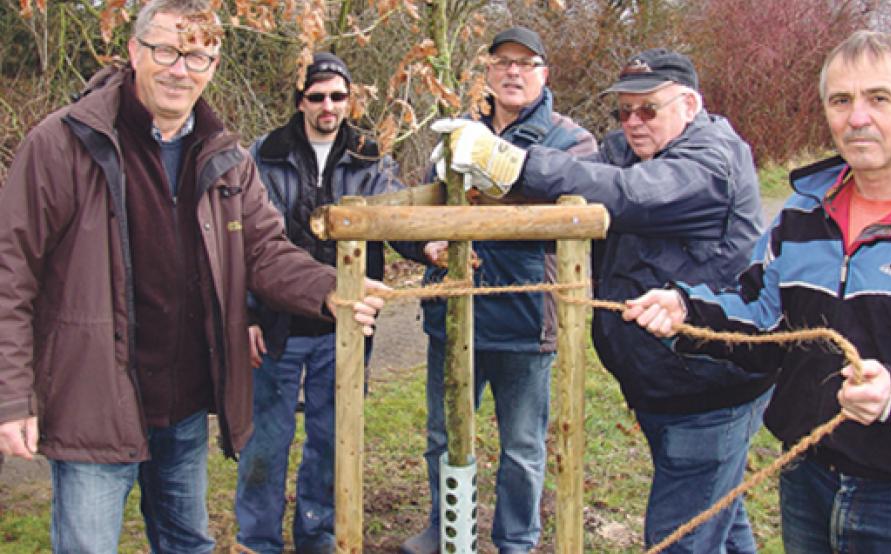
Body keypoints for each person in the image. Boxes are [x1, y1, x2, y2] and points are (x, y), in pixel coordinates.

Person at [0, 1, 384, 552]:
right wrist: (13, 397)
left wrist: (331, 289)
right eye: (167, 51)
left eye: (199, 55)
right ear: (134, 51)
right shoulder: (62, 144)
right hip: (93, 402)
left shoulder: (225, 157)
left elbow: (265, 252)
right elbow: (11, 273)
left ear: (214, 64)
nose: (181, 69)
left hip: (183, 405)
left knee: (188, 543)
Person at [621, 31, 891, 553]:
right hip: (808, 479)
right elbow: (761, 313)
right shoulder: (801, 216)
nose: (857, 117)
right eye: (841, 100)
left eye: (879, 98)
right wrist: (686, 309)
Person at [432, 47, 773, 552]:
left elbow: (628, 194)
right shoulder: (630, 149)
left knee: (679, 538)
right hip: (668, 382)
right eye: (624, 111)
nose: (633, 123)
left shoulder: (710, 161)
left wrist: (512, 162)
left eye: (648, 109)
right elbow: (576, 186)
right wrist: (487, 183)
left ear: (690, 105)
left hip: (711, 385)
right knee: (719, 519)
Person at [400, 26, 597, 554]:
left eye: (526, 63)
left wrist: (493, 181)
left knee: (524, 447)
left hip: (525, 318)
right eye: (503, 61)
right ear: (486, 71)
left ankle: (516, 540)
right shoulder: (454, 134)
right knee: (442, 438)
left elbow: (573, 214)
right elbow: (415, 216)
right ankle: (446, 529)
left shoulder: (571, 141)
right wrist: (429, 246)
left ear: (544, 75)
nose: (514, 71)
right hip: (452, 311)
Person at [234, 52, 410, 554]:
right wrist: (245, 314)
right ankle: (257, 541)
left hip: (346, 325)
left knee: (332, 439)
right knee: (265, 442)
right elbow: (246, 244)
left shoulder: (371, 157)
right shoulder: (262, 155)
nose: (328, 105)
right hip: (276, 324)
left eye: (338, 96)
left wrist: (432, 246)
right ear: (300, 102)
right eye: (317, 96)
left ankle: (316, 536)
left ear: (349, 100)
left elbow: (395, 219)